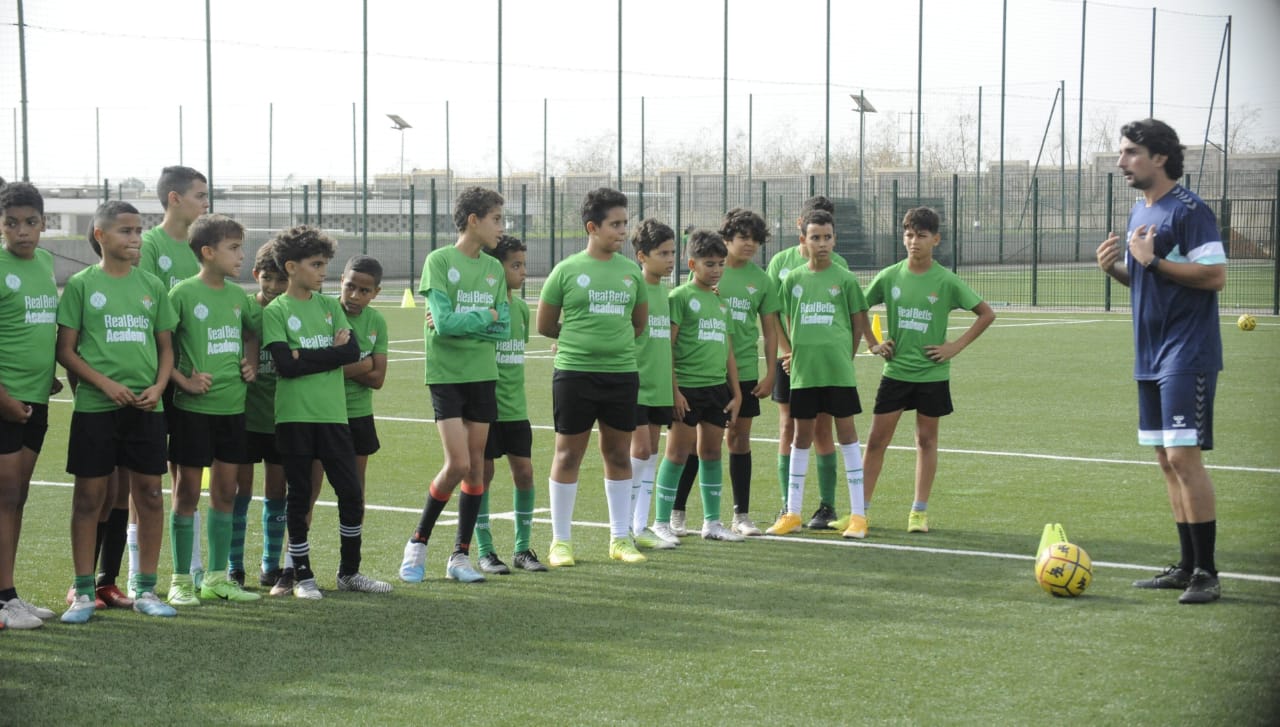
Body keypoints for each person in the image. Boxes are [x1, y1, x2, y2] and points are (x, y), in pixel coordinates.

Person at [1095, 118, 1227, 604]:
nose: (1121, 162)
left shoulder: (1190, 210)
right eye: (1122, 152)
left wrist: (1154, 261)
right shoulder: (1138, 211)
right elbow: (1149, 278)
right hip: (1148, 354)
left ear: (1160, 158)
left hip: (1186, 353)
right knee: (1164, 460)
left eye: (1131, 153)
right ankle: (1186, 565)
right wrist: (1117, 268)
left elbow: (1214, 276)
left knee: (1182, 457)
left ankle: (1207, 573)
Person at [56, 201, 178, 622]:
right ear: (100, 235)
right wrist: (105, 385)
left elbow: (166, 348)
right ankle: (85, 592)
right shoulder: (81, 285)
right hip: (95, 407)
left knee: (148, 496)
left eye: (138, 230)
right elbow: (65, 351)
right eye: (125, 231)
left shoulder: (152, 286)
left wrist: (159, 387)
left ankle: (145, 589)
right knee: (90, 498)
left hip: (147, 408)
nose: (135, 238)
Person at [262, 224, 392, 599]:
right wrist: (326, 356)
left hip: (334, 417)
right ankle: (301, 575)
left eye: (324, 264)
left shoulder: (330, 307)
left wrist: (305, 355)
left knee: (351, 493)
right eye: (317, 264)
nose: (323, 272)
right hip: (294, 416)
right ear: (291, 267)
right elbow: (285, 366)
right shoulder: (277, 311)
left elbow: (350, 353)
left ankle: (349, 573)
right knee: (300, 495)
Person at [398, 187, 510, 584]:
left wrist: (478, 320)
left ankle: (459, 557)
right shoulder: (439, 261)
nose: (502, 227)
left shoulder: (495, 269)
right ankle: (418, 541)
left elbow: (505, 328)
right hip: (446, 375)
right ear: (473, 220)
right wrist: (487, 315)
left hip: (482, 375)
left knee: (476, 466)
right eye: (497, 218)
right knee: (458, 464)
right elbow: (443, 326)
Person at [860, 207, 995, 535]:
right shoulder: (890, 275)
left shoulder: (945, 280)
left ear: (935, 239)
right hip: (896, 373)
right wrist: (874, 344)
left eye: (921, 235)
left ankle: (918, 512)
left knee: (926, 440)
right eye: (908, 234)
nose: (913, 241)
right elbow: (859, 308)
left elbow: (986, 314)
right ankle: (859, 511)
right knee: (877, 441)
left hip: (932, 375)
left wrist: (954, 347)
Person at [536, 188, 649, 566]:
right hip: (574, 375)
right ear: (592, 227)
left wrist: (609, 346)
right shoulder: (566, 271)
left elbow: (638, 324)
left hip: (621, 375)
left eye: (624, 223)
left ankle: (620, 538)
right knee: (568, 454)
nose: (622, 231)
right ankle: (561, 542)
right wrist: (581, 343)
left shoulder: (632, 272)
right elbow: (546, 325)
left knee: (618, 454)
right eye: (615, 224)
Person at [165, 213, 260, 605]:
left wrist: (250, 360)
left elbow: (253, 331)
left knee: (226, 491)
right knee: (186, 492)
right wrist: (184, 381)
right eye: (234, 248)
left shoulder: (239, 297)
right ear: (208, 252)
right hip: (192, 411)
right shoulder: (183, 294)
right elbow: (160, 347)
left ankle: (217, 578)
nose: (242, 256)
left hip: (232, 409)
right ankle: (181, 580)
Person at [766, 208, 870, 539]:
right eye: (815, 238)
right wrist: (788, 350)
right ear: (803, 241)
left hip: (838, 371)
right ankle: (792, 512)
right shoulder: (793, 279)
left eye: (827, 237)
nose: (822, 244)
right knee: (800, 436)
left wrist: (847, 355)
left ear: (834, 239)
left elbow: (858, 322)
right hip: (804, 372)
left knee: (847, 435)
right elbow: (775, 316)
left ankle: (858, 515)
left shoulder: (846, 279)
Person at [134, 165, 211, 593]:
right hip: (155, 382)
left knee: (188, 481)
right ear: (174, 199)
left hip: (193, 386)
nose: (206, 203)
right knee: (144, 481)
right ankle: (131, 576)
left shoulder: (202, 248)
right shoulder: (148, 245)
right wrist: (173, 377)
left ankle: (192, 570)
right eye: (200, 195)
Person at [650, 230, 744, 543]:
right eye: (709, 263)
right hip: (686, 389)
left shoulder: (720, 303)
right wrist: (674, 390)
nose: (716, 270)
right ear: (692, 263)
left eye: (721, 264)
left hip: (716, 389)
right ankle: (661, 522)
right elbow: (668, 347)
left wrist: (737, 391)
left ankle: (712, 523)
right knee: (677, 453)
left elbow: (728, 350)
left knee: (712, 452)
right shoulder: (680, 298)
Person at [0, 181, 60, 629]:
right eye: (12, 223)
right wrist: (4, 399)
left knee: (16, 498)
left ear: (44, 224)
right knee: (4, 497)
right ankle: (4, 599)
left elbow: (36, 331)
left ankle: (9, 594)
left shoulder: (43, 261)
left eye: (31, 222)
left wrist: (46, 378)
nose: (23, 232)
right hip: (5, 402)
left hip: (35, 401)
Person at [474, 234, 548, 574]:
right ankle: (485, 550)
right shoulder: (482, 308)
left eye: (523, 265)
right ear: (494, 268)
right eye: (515, 265)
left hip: (516, 407)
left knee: (525, 472)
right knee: (483, 474)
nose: (523, 272)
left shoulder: (520, 308)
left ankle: (522, 548)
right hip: (486, 408)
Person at [627, 219, 679, 549]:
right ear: (642, 256)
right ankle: (626, 525)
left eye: (674, 252)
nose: (671, 259)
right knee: (640, 450)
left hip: (659, 384)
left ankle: (640, 526)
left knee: (652, 454)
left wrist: (672, 387)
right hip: (634, 383)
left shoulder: (667, 294)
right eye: (663, 253)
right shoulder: (634, 288)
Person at [338, 255, 388, 499]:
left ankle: (352, 538)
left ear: (376, 292)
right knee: (309, 488)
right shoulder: (325, 313)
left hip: (359, 413)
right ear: (341, 282)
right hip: (324, 413)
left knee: (355, 487)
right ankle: (297, 539)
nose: (355, 295)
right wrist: (365, 364)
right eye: (350, 286)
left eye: (364, 290)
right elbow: (319, 370)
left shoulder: (376, 320)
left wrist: (340, 367)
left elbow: (378, 378)